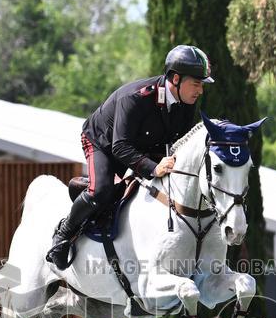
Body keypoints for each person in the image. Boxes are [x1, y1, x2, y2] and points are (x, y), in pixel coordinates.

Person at [45, 45, 214, 269]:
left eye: (201, 84)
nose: (200, 90)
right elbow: (120, 147)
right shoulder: (135, 97)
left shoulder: (187, 103)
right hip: (102, 142)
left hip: (142, 145)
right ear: (175, 79)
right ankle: (63, 234)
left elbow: (178, 145)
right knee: (101, 191)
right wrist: (154, 168)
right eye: (196, 83)